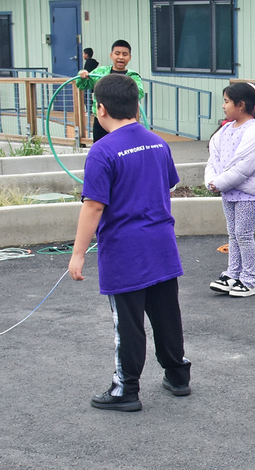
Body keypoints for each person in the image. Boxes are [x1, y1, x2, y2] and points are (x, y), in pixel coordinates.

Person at [69, 73, 191, 411]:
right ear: (136, 106)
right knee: (167, 315)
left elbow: (93, 206)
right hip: (161, 242)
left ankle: (126, 388)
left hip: (125, 249)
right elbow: (167, 186)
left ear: (101, 109)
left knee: (128, 321)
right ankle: (178, 375)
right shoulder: (158, 143)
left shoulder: (102, 151)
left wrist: (78, 254)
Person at [206, 83, 255, 297]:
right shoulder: (225, 130)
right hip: (229, 192)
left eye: (226, 101)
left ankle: (250, 279)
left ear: (241, 105)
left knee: (243, 235)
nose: (223, 106)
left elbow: (245, 167)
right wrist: (212, 181)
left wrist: (219, 183)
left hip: (249, 194)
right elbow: (214, 160)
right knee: (234, 235)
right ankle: (233, 274)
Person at [75, 40, 146, 141]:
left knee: (122, 147)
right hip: (102, 120)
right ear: (111, 55)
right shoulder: (100, 72)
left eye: (125, 54)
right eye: (117, 53)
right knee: (100, 147)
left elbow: (139, 93)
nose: (121, 57)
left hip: (123, 121)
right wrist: (82, 75)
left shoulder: (133, 76)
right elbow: (82, 85)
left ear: (129, 57)